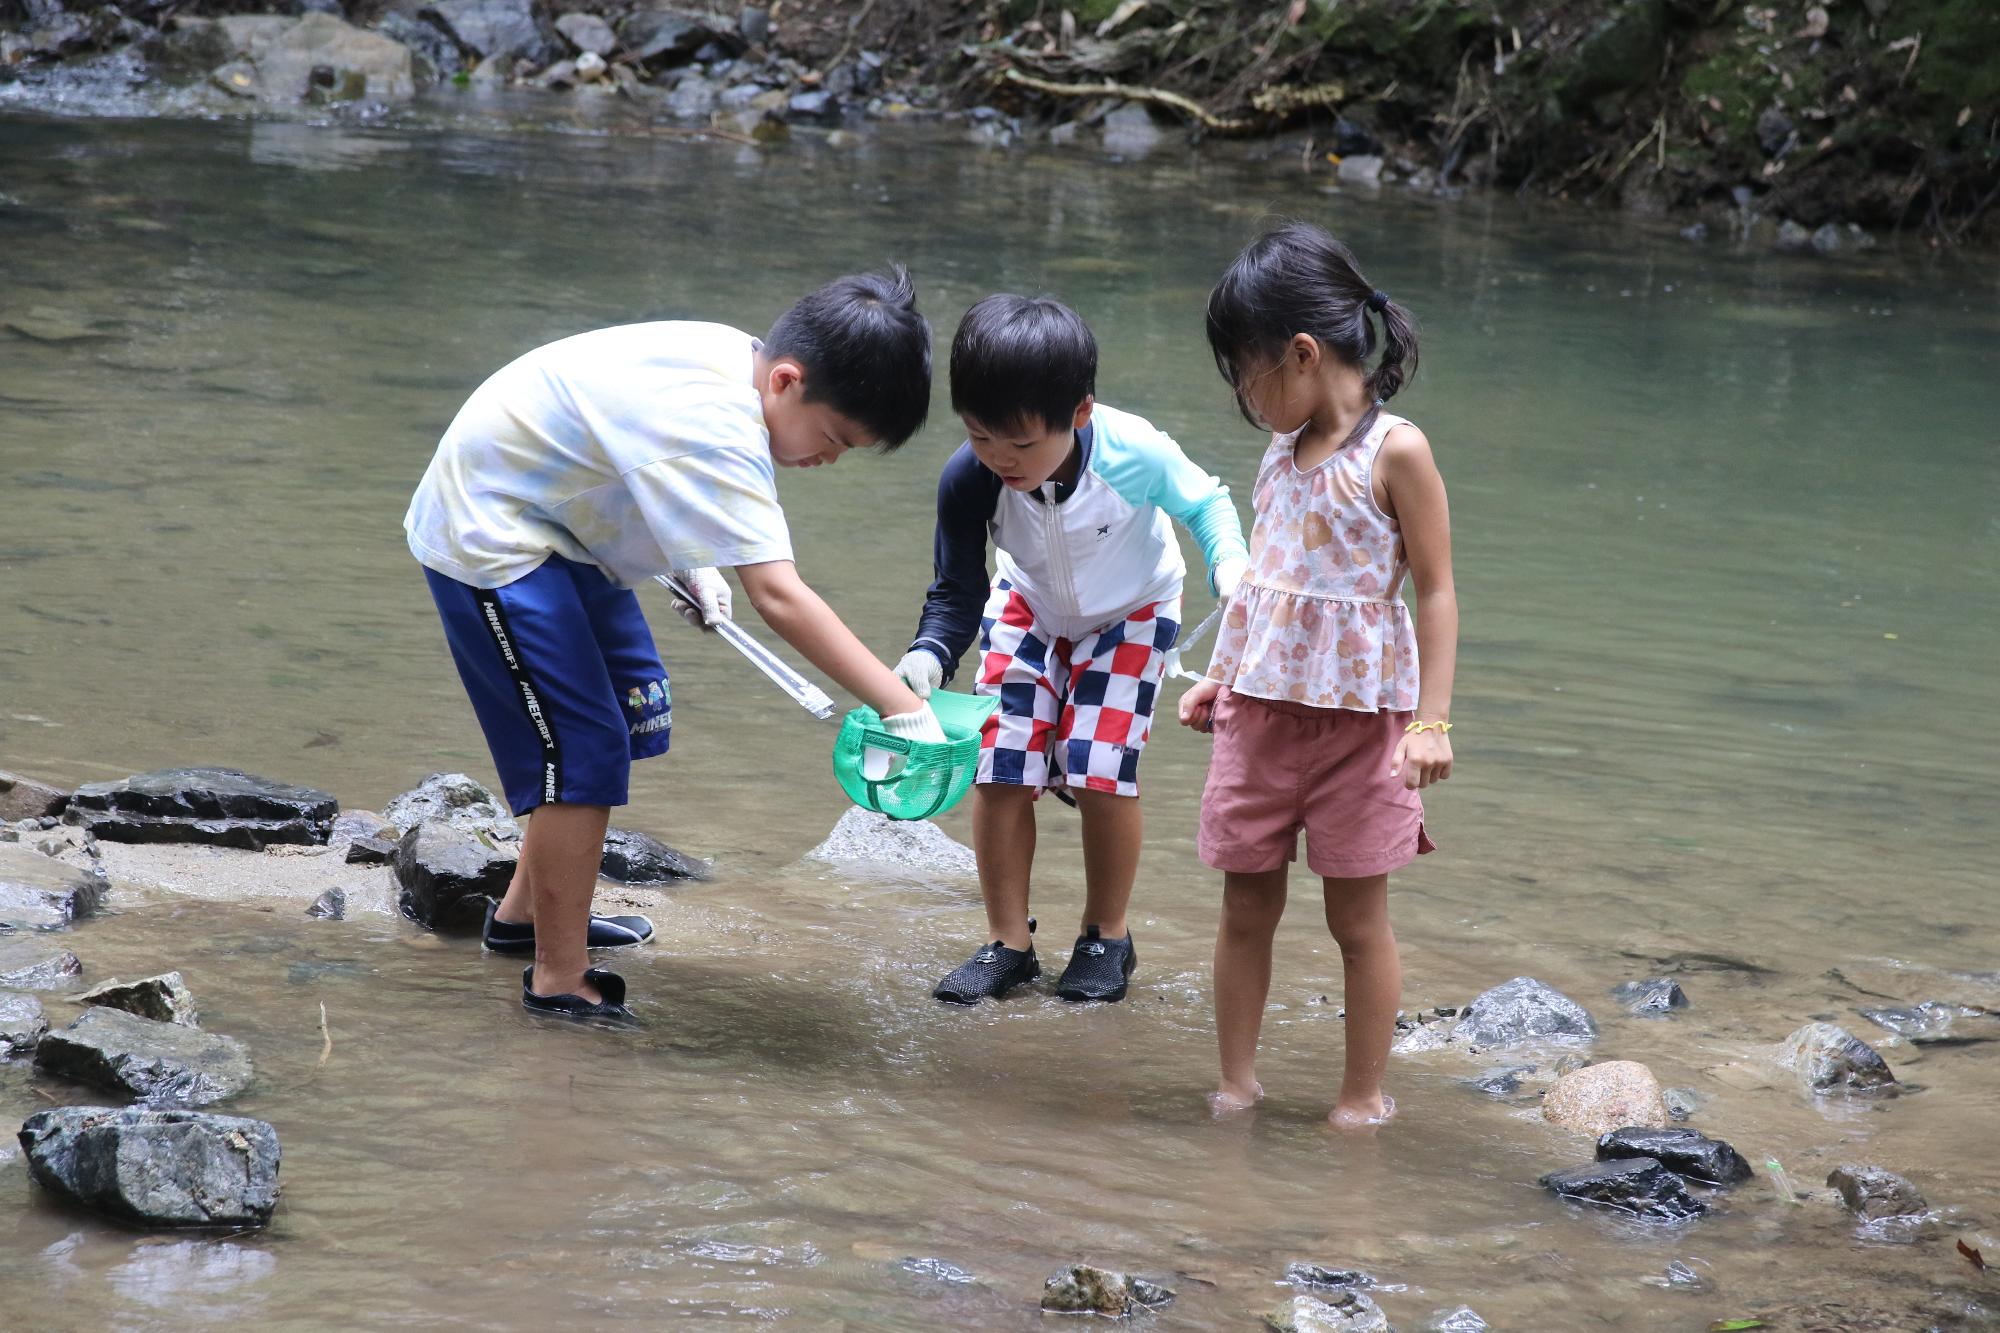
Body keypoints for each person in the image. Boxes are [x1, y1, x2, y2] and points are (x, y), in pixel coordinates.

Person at [405, 268, 945, 1024]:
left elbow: (635, 448)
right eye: (833, 439)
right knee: (580, 750)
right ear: (787, 380)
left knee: (628, 716)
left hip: (563, 522)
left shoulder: (741, 362)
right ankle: (558, 979)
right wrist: (900, 706)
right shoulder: (722, 425)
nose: (830, 460)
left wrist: (693, 560)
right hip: (492, 526)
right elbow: (780, 595)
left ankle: (525, 917)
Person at [1178, 223, 1457, 1127]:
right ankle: (1237, 1083)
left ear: (1301, 354)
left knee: (1357, 922)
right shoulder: (1279, 448)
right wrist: (1222, 674)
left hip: (1359, 731)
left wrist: (1432, 720)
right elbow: (1264, 579)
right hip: (1257, 721)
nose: (1242, 397)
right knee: (1244, 905)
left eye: (1244, 374)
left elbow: (1439, 592)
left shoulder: (1395, 452)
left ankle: (1362, 1096)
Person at [897, 295, 1249, 1005]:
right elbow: (957, 588)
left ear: (1079, 414)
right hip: (1026, 604)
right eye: (980, 436)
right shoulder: (970, 478)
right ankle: (1008, 943)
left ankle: (1105, 935)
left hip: (1134, 609)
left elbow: (1205, 503)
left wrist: (1230, 568)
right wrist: (930, 653)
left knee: (1096, 766)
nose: (1001, 458)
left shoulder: (1133, 452)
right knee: (998, 762)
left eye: (1021, 445)